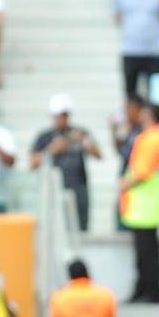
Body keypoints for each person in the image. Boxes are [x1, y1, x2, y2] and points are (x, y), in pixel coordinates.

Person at [121, 102, 159, 303]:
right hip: (147, 203)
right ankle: (146, 290)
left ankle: (149, 291)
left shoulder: (152, 138)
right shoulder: (158, 135)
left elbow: (142, 171)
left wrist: (125, 184)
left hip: (146, 203)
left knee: (146, 252)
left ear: (149, 115)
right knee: (147, 249)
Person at [30, 93, 103, 231]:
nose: (61, 119)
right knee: (56, 227)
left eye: (64, 115)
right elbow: (33, 163)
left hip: (78, 188)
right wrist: (51, 151)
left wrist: (83, 141)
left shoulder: (79, 133)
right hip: (54, 189)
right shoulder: (45, 137)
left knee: (81, 227)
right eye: (58, 116)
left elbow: (98, 155)